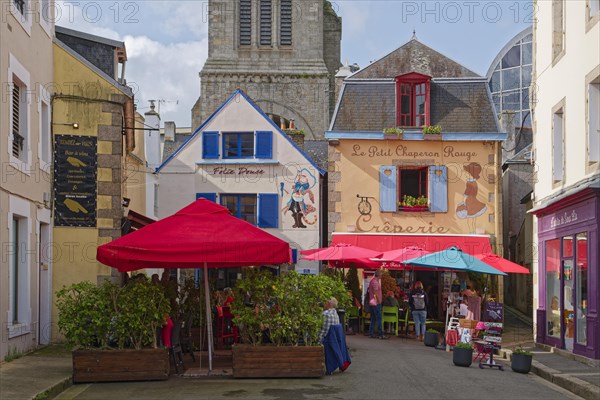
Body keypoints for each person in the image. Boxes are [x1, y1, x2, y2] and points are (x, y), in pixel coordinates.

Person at [368, 270, 387, 339]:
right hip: (376, 302)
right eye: (381, 275)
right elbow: (375, 292)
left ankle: (371, 333)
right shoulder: (375, 282)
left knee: (373, 318)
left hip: (372, 302)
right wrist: (379, 301)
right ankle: (380, 334)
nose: (382, 276)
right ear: (378, 275)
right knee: (379, 318)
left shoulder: (372, 281)